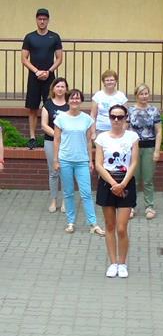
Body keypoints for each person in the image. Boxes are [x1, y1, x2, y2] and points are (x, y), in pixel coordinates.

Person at [95, 105, 139, 278]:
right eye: (113, 116)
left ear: (125, 118)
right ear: (109, 117)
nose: (116, 120)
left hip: (126, 181)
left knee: (121, 228)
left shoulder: (132, 137)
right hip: (108, 182)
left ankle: (122, 263)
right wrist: (113, 184)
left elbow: (134, 162)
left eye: (120, 117)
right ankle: (113, 263)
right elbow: (99, 164)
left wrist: (123, 184)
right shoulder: (102, 138)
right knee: (110, 226)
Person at [53, 89, 105, 236]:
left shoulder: (87, 119)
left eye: (77, 98)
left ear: (81, 101)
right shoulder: (60, 118)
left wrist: (90, 160)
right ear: (67, 100)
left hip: (82, 161)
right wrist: (55, 160)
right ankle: (70, 222)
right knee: (68, 193)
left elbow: (89, 141)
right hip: (65, 160)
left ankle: (93, 224)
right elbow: (56, 140)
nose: (75, 100)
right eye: (72, 98)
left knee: (86, 193)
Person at [21, 8, 64, 149]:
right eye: (39, 19)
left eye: (44, 19)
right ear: (36, 20)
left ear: (48, 20)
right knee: (33, 107)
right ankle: (32, 137)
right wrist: (37, 71)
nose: (42, 21)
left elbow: (59, 58)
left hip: (50, 77)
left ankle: (51, 135)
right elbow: (24, 58)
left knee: (51, 105)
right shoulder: (29, 37)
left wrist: (48, 71)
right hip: (34, 77)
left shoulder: (54, 37)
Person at [128, 84, 162, 220]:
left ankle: (149, 206)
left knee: (148, 179)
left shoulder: (154, 111)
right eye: (141, 94)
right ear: (136, 95)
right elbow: (125, 130)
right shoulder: (130, 111)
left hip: (149, 148)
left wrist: (157, 151)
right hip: (134, 148)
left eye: (146, 93)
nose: (144, 96)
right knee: (133, 179)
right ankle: (131, 205)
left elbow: (159, 131)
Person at [41, 77, 69, 213]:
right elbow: (44, 125)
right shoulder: (47, 105)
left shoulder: (69, 105)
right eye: (58, 86)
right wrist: (57, 135)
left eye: (62, 86)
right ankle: (53, 200)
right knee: (53, 172)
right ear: (53, 88)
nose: (60, 89)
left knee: (65, 172)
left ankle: (65, 201)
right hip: (51, 142)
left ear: (66, 89)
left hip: (67, 143)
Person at [90, 70, 128, 139]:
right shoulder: (98, 95)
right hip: (100, 130)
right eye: (107, 80)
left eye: (112, 80)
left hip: (118, 130)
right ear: (103, 82)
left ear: (116, 81)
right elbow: (93, 115)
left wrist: (123, 132)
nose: (109, 82)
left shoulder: (121, 96)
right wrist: (93, 132)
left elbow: (125, 116)